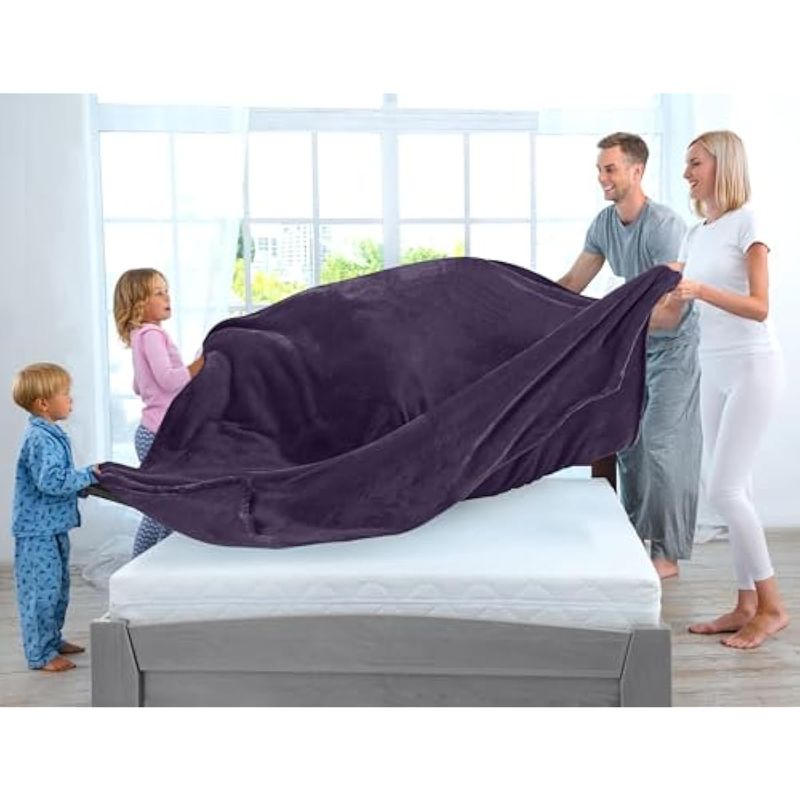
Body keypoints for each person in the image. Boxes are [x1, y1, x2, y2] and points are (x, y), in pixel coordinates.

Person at [659, 130, 787, 648]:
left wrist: (701, 289)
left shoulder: (749, 223)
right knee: (740, 490)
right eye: (686, 163)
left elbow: (760, 306)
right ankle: (744, 604)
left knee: (724, 491)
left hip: (753, 365)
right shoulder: (695, 235)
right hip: (711, 368)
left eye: (696, 163)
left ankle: (773, 608)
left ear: (723, 165)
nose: (686, 172)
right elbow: (672, 315)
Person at [558, 132, 702, 579]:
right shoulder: (604, 224)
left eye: (610, 169)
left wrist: (613, 317)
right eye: (600, 170)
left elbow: (670, 314)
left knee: (661, 444)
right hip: (632, 345)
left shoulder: (664, 227)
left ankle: (667, 553)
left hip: (672, 348)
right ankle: (636, 539)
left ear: (636, 171)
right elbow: (572, 284)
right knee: (630, 445)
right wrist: (531, 308)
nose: (602, 178)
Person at [11, 363, 100, 672]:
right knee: (41, 593)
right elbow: (50, 481)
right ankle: (40, 654)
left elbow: (56, 479)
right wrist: (87, 475)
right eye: (65, 393)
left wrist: (84, 485)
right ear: (43, 404)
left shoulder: (51, 435)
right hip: (37, 532)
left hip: (52, 526)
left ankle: (52, 640)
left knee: (58, 590)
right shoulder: (40, 438)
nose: (70, 399)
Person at [113, 268, 204, 557]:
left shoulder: (139, 335)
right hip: (159, 435)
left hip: (150, 432)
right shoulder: (153, 334)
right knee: (162, 508)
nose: (167, 297)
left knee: (168, 507)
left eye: (167, 291)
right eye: (158, 293)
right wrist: (199, 365)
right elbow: (168, 380)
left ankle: (154, 562)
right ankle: (140, 564)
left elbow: (138, 386)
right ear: (139, 303)